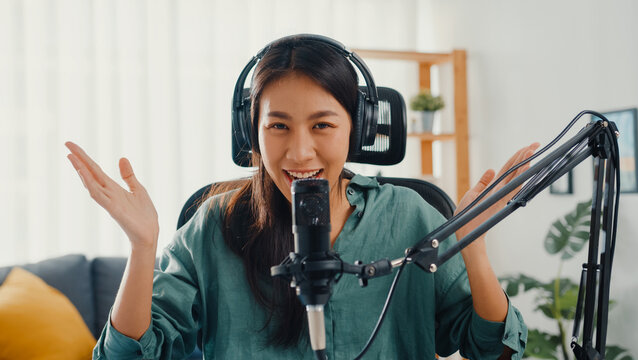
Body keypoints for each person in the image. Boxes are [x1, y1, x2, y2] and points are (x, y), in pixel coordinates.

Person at [65, 35, 533, 359]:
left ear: (360, 129)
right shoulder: (215, 225)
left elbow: (491, 347)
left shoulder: (410, 216)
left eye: (323, 125)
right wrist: (142, 248)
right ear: (252, 131)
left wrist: (474, 249)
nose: (299, 151)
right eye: (278, 126)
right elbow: (126, 355)